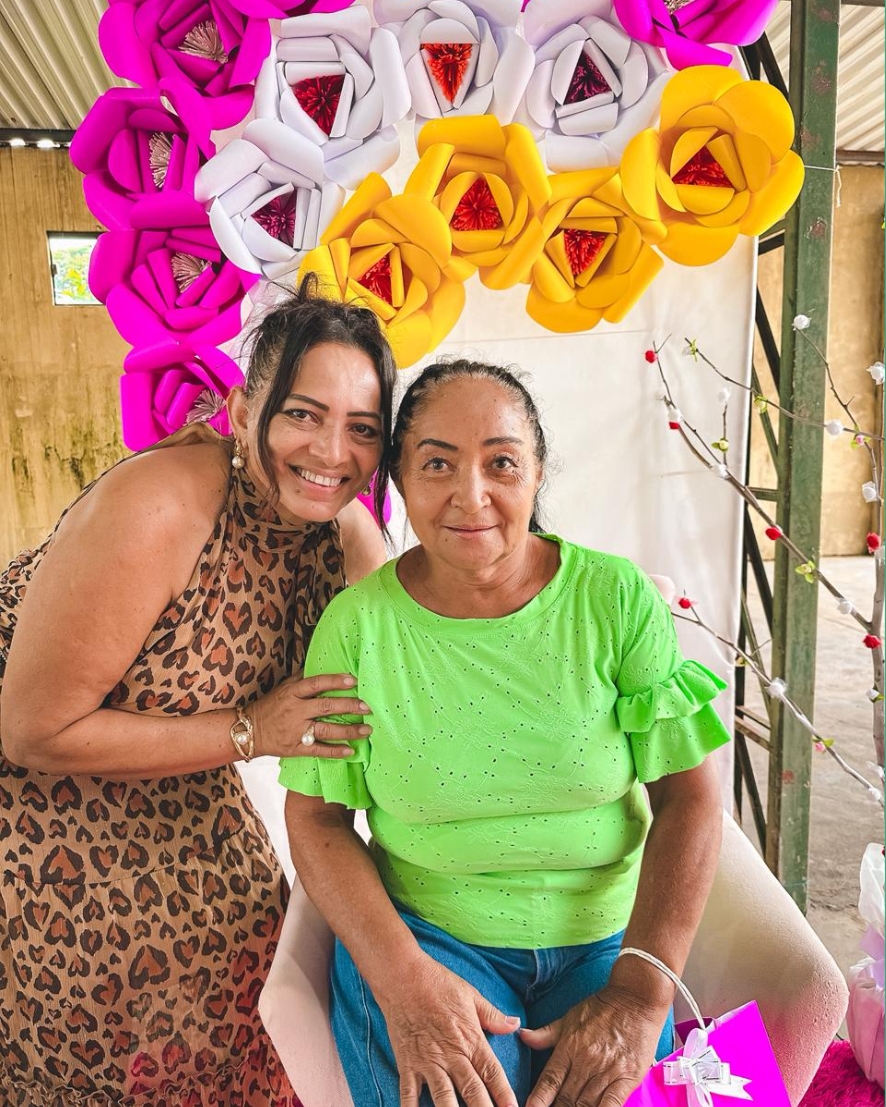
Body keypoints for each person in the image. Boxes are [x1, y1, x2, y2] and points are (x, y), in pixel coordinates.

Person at [281, 359, 732, 1107]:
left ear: (537, 472)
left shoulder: (614, 600)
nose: (472, 495)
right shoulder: (358, 628)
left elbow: (689, 798)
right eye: (437, 464)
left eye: (501, 463)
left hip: (604, 943)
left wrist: (639, 995)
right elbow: (318, 819)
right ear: (397, 480)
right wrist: (403, 981)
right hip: (428, 940)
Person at [0, 276, 397, 1106]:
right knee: (140, 1009)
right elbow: (33, 728)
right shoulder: (165, 505)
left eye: (362, 428)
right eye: (303, 413)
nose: (333, 452)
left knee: (268, 967)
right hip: (32, 791)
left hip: (176, 772)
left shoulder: (345, 536)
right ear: (245, 409)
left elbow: (415, 681)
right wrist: (252, 728)